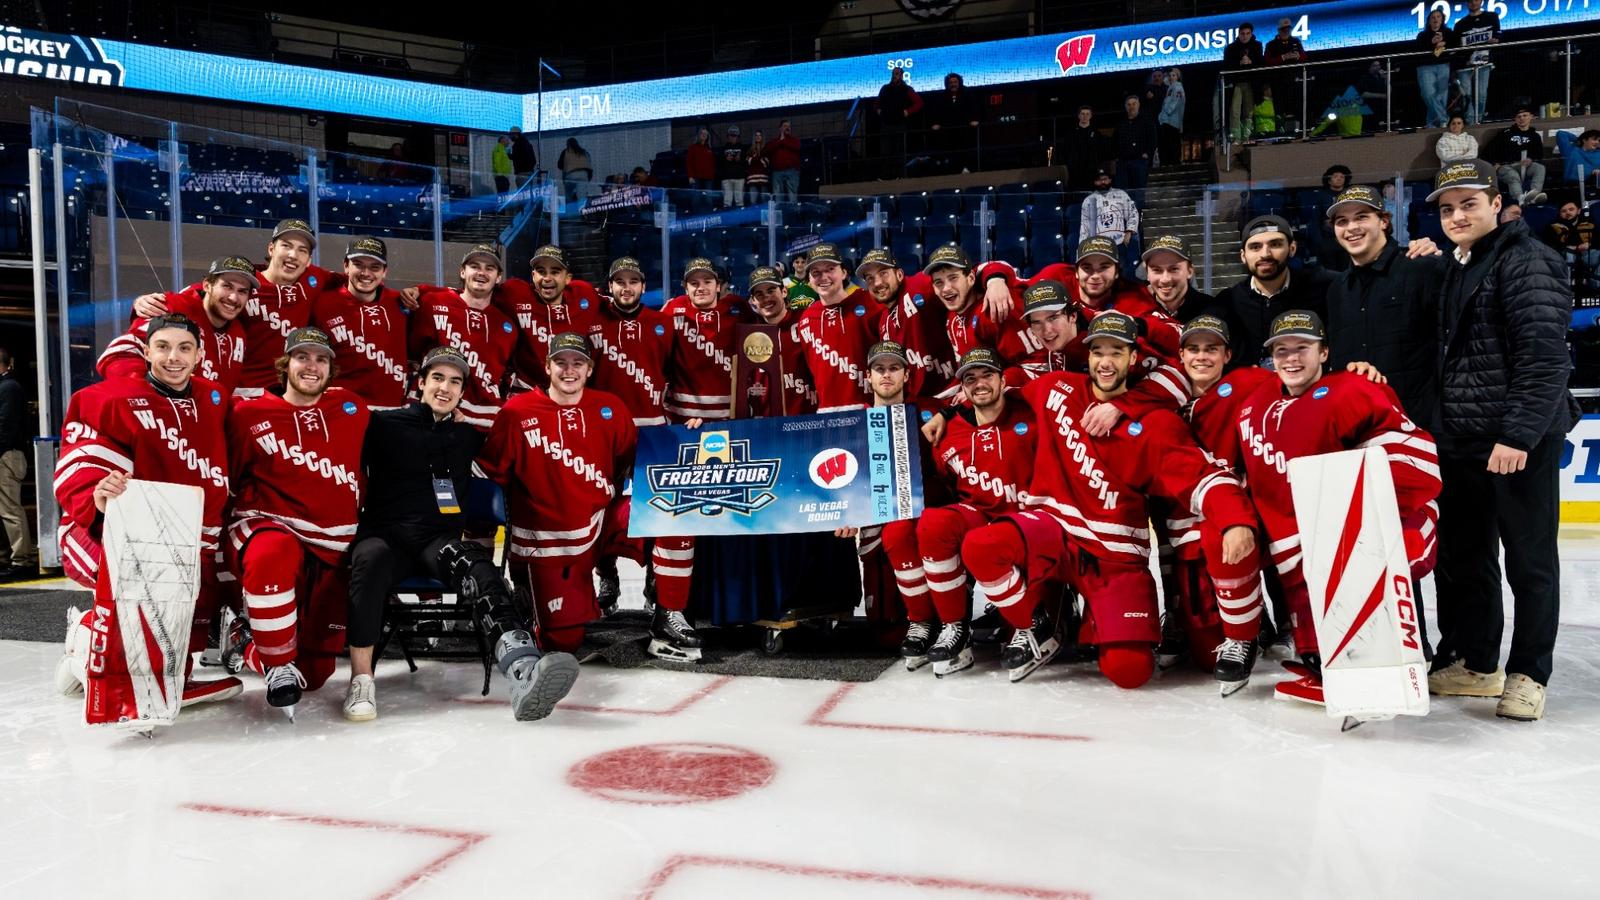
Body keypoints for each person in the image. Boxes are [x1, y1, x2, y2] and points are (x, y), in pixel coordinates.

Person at [958, 311, 1258, 686]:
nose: (1105, 362)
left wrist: (1234, 520)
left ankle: (1100, 618)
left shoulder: (1155, 423)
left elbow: (1201, 474)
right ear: (1088, 356)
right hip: (1054, 531)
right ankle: (1035, 626)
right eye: (1098, 352)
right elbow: (994, 394)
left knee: (1129, 671)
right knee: (982, 546)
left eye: (1116, 352)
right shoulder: (1055, 389)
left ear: (1133, 359)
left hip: (1114, 555)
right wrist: (942, 415)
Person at [344, 345, 577, 722]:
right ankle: (361, 680)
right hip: (387, 536)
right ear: (420, 383)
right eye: (437, 378)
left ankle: (522, 670)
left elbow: (523, 447)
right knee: (369, 561)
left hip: (438, 541)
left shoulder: (467, 436)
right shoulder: (383, 425)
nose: (445, 387)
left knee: (481, 569)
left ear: (462, 392)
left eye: (454, 382)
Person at [1427, 159, 1579, 721]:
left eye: (1469, 204)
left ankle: (1529, 674)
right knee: (1467, 560)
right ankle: (1478, 664)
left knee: (1529, 562)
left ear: (1497, 204)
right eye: (1448, 208)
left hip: (1518, 441)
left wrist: (1517, 434)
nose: (1457, 216)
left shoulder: (1529, 259)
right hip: (1463, 439)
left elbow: (1545, 358)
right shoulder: (1457, 264)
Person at [1234, 310, 1442, 705]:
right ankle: (1325, 662)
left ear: (1325, 352)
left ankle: (1395, 661)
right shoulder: (1256, 402)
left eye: (1302, 348)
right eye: (1281, 351)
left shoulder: (1352, 389)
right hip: (1297, 548)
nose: (1291, 359)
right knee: (1316, 643)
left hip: (1357, 536)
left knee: (1385, 566)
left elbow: (1414, 459)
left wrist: (1364, 519)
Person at [52, 313, 241, 714]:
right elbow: (79, 465)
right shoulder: (107, 398)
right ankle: (88, 637)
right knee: (138, 603)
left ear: (199, 355)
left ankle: (162, 674)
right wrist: (97, 494)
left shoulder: (214, 397)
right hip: (113, 532)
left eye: (184, 348)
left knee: (187, 613)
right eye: (163, 347)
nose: (174, 358)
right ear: (145, 351)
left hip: (191, 535)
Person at [481, 332, 700, 661]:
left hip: (601, 523)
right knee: (563, 643)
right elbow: (488, 478)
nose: (569, 370)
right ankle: (534, 601)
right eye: (561, 363)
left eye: (578, 363)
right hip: (548, 543)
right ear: (547, 366)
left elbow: (641, 461)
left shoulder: (609, 407)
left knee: (674, 511)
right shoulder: (516, 412)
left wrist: (685, 437)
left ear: (589, 369)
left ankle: (669, 614)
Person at [226, 327, 370, 718]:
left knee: (315, 674)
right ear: (285, 364)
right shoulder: (248, 414)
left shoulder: (351, 407)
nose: (312, 366)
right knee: (272, 551)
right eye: (302, 357)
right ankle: (277, 664)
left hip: (333, 544)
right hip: (270, 527)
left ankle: (243, 641)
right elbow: (230, 476)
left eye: (321, 359)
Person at [881, 346, 1036, 675]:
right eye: (970, 379)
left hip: (1029, 521)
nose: (979, 383)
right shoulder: (948, 431)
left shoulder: (1030, 413)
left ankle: (1037, 622)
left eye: (987, 375)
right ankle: (950, 626)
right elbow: (945, 480)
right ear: (962, 388)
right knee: (930, 525)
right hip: (977, 518)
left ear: (1003, 379)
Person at [131, 219, 335, 398]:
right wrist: (145, 301)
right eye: (286, 246)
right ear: (271, 249)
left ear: (309, 260)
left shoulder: (314, 279)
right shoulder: (244, 281)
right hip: (243, 392)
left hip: (286, 391)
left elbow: (350, 278)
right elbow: (203, 294)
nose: (293, 255)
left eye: (302, 250)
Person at [1323, 185, 1443, 426]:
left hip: (1420, 425)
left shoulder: (1422, 268)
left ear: (1384, 221)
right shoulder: (1336, 289)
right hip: (1361, 425)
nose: (1351, 228)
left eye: (1361, 217)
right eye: (1342, 221)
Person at [102, 256, 252, 397]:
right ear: (207, 285)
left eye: (242, 291)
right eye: (227, 286)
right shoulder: (174, 308)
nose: (234, 298)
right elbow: (121, 352)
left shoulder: (239, 333)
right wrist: (147, 394)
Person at [408, 245, 520, 430]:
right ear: (462, 271)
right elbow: (413, 357)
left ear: (498, 277)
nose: (481, 273)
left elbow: (506, 374)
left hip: (483, 420)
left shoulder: (507, 326)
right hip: (432, 412)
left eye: (489, 268)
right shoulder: (432, 304)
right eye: (475, 266)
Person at [1214, 215, 1335, 363]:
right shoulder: (1227, 302)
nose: (1265, 254)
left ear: (1292, 248)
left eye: (1275, 244)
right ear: (1243, 256)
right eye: (1255, 247)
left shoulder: (1324, 287)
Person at [312, 238, 410, 409]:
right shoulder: (322, 304)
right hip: (342, 409)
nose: (366, 273)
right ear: (346, 266)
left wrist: (420, 290)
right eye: (358, 265)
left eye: (375, 267)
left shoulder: (401, 302)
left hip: (392, 410)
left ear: (384, 272)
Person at [795, 243, 884, 411]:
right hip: (826, 411)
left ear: (843, 273)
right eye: (816, 272)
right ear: (809, 280)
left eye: (830, 269)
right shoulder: (806, 319)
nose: (823, 277)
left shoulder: (870, 303)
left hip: (870, 408)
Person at [860, 247, 957, 401]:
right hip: (917, 403)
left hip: (952, 393)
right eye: (870, 278)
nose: (877, 283)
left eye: (883, 273)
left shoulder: (918, 285)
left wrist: (994, 279)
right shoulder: (883, 322)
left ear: (899, 274)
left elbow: (966, 275)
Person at [664, 257, 746, 422]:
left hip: (729, 415)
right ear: (685, 288)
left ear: (718, 286)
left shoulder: (738, 310)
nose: (701, 288)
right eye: (694, 283)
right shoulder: (673, 309)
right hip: (682, 415)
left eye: (707, 282)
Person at [0, 347, 32, 579]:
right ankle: (10, 556)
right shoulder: (7, 386)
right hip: (6, 453)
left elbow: (6, 425)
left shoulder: (9, 387)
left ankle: (22, 560)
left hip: (6, 455)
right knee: (6, 510)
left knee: (10, 509)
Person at [1141, 235, 1214, 324]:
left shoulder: (1213, 313)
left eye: (1174, 269)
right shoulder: (1136, 311)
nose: (1165, 279)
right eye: (1157, 270)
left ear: (1190, 271)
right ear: (1147, 274)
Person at [1486, 106, 1548, 207]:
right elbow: (1489, 150)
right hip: (1506, 166)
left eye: (1525, 115)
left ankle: (1534, 196)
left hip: (1525, 166)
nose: (1522, 118)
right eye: (1519, 116)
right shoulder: (1506, 133)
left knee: (1540, 168)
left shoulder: (1535, 136)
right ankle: (1520, 199)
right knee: (1512, 175)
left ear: (1531, 117)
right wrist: (1494, 163)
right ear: (1515, 119)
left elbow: (1539, 155)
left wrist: (1530, 159)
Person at [1453, 0, 1500, 124]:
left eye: (1476, 0)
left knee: (1481, 95)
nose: (1473, 2)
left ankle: (1478, 120)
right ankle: (1470, 122)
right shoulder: (1460, 24)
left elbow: (1498, 37)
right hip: (1465, 67)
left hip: (1484, 64)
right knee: (1466, 95)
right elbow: (1455, 48)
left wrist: (1495, 41)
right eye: (1470, 1)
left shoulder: (1492, 17)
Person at [928, 72, 981, 174]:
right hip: (949, 131)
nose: (953, 84)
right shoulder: (942, 96)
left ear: (959, 83)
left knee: (967, 149)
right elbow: (935, 112)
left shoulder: (967, 94)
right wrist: (935, 123)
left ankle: (967, 168)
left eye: (955, 82)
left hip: (965, 130)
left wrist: (975, 120)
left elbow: (975, 109)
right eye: (951, 82)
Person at [876, 67, 922, 176]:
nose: (894, 76)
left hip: (900, 124)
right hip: (886, 124)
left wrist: (907, 112)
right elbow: (877, 103)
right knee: (885, 151)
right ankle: (886, 176)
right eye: (893, 73)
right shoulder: (885, 88)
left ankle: (900, 176)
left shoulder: (907, 89)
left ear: (901, 76)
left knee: (899, 151)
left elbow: (919, 103)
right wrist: (879, 111)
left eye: (897, 74)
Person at [1079, 169, 1139, 250]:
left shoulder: (1121, 194)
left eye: (1105, 179)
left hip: (1120, 242)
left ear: (1110, 180)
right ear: (1094, 182)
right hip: (1098, 246)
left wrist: (1129, 231)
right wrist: (1083, 246)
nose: (1103, 182)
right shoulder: (1088, 200)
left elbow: (1133, 213)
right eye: (1099, 180)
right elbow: (1085, 224)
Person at [1223, 23, 1264, 143]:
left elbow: (1261, 63)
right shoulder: (1230, 48)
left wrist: (1251, 61)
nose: (1245, 36)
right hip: (1236, 83)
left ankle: (1247, 136)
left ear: (1251, 34)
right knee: (1234, 111)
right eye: (1242, 34)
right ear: (1239, 34)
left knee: (1249, 111)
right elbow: (1227, 65)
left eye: (1247, 33)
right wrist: (1239, 63)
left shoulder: (1257, 46)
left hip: (1251, 83)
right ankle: (1235, 137)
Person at [1264, 18, 1307, 129]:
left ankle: (1297, 130)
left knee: (1295, 106)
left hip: (1294, 80)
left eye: (1288, 29)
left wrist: (1297, 56)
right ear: (1279, 30)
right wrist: (1283, 57)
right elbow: (1267, 61)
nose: (1286, 32)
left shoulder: (1296, 42)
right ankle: (1280, 130)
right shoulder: (1271, 45)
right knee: (1279, 108)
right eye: (1284, 29)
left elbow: (1304, 57)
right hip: (1278, 81)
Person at [1416, 9, 1455, 129]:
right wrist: (1432, 43)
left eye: (1438, 17)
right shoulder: (1422, 35)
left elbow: (1454, 46)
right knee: (1428, 94)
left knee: (1441, 97)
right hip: (1425, 67)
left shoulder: (1448, 33)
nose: (1435, 19)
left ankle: (1432, 124)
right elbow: (1418, 51)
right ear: (1429, 21)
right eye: (1433, 17)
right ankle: (1443, 119)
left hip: (1443, 65)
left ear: (1442, 19)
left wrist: (1443, 45)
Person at [1114, 95, 1156, 200]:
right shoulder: (1121, 123)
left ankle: (1139, 210)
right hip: (1123, 162)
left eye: (1134, 104)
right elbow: (1114, 140)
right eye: (1129, 104)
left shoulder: (1147, 121)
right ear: (1126, 107)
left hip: (1140, 161)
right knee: (1124, 193)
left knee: (1139, 192)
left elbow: (1153, 139)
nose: (1131, 107)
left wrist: (1147, 153)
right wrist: (1117, 156)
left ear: (1138, 105)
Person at [1063, 105, 1107, 191]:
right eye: (1082, 114)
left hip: (1091, 169)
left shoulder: (1096, 133)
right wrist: (1069, 163)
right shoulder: (1071, 133)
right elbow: (1066, 150)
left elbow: (1101, 150)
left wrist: (1097, 163)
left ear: (1091, 116)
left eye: (1087, 114)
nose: (1085, 116)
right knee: (1075, 192)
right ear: (1079, 116)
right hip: (1075, 170)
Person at [1555, 128, 1600, 195]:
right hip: (1572, 185)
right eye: (1594, 139)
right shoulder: (1570, 150)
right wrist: (1578, 139)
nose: (1597, 142)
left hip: (1592, 184)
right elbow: (1561, 134)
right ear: (1585, 140)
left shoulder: (1598, 153)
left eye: (1599, 141)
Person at [768, 120, 802, 202]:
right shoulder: (774, 141)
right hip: (777, 172)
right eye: (785, 126)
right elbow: (769, 150)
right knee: (778, 195)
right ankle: (779, 210)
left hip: (792, 171)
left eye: (789, 126)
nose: (787, 128)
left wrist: (783, 141)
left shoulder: (794, 140)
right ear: (780, 128)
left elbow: (797, 147)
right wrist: (780, 140)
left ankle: (792, 210)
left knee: (792, 195)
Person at [1157, 68, 1185, 167]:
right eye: (1170, 75)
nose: (1171, 77)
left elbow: (1176, 102)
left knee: (1173, 143)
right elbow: (1165, 80)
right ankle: (1168, 162)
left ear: (1178, 77)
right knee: (1167, 143)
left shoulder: (1178, 87)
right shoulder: (1170, 87)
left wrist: (1168, 111)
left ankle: (1174, 162)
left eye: (1174, 75)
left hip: (1172, 120)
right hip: (1167, 120)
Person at [716, 125, 748, 208]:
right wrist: (725, 158)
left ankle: (740, 216)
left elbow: (746, 162)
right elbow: (718, 162)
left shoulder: (742, 147)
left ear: (738, 137)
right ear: (728, 136)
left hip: (739, 177)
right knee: (727, 201)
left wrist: (739, 159)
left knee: (739, 201)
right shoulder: (723, 148)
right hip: (726, 178)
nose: (733, 137)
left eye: (735, 136)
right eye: (731, 135)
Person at [557, 137, 593, 203]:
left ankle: (570, 207)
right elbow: (589, 164)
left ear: (568, 144)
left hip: (570, 176)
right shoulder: (584, 152)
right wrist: (588, 177)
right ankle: (581, 208)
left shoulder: (565, 152)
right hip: (583, 175)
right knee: (582, 197)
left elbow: (559, 165)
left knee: (569, 196)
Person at [686, 127, 717, 191]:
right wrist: (690, 176)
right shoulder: (692, 147)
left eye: (705, 133)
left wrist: (712, 174)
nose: (704, 135)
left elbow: (712, 163)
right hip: (696, 178)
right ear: (699, 135)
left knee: (708, 197)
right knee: (696, 197)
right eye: (702, 133)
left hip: (708, 178)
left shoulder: (709, 148)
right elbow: (689, 163)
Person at [745, 130, 771, 205]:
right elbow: (748, 162)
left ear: (762, 137)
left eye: (759, 135)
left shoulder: (766, 149)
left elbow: (767, 163)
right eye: (756, 135)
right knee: (753, 200)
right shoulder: (750, 150)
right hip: (752, 178)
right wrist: (759, 159)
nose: (758, 137)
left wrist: (755, 159)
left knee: (764, 200)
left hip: (763, 178)